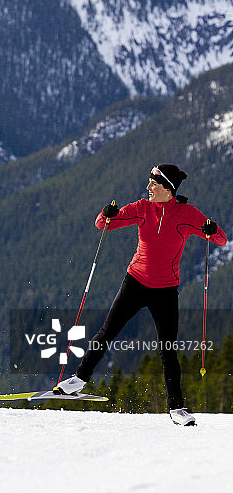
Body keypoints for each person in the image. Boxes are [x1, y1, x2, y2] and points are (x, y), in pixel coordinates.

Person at [57, 164, 227, 426]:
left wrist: (211, 229)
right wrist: (107, 212)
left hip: (166, 290)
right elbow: (103, 224)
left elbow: (221, 240)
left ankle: (177, 409)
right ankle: (78, 379)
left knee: (167, 349)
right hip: (135, 282)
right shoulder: (141, 208)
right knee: (107, 331)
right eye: (149, 183)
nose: (148, 188)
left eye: (153, 184)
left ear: (168, 189)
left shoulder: (187, 214)